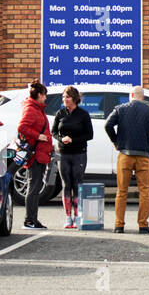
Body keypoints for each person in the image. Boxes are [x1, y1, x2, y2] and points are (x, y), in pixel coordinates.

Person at [104, 85, 149, 234]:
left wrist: (116, 141)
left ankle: (119, 225)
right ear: (142, 97)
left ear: (131, 96)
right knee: (144, 191)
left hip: (125, 153)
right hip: (143, 155)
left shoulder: (120, 108)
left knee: (122, 191)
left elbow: (108, 125)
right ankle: (143, 225)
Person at [52, 86, 93, 229]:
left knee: (77, 184)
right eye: (63, 97)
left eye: (67, 97)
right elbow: (54, 132)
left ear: (74, 99)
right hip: (64, 153)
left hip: (79, 153)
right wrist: (61, 139)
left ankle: (77, 216)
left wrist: (73, 139)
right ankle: (68, 217)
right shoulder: (60, 113)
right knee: (66, 184)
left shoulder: (83, 114)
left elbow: (89, 135)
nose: (65, 100)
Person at [17, 81, 52, 230]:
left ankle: (33, 219)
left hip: (41, 154)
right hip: (36, 156)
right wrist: (38, 136)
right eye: (44, 95)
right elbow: (22, 127)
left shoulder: (36, 108)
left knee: (35, 188)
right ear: (39, 94)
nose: (45, 98)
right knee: (33, 188)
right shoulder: (32, 109)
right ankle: (29, 220)